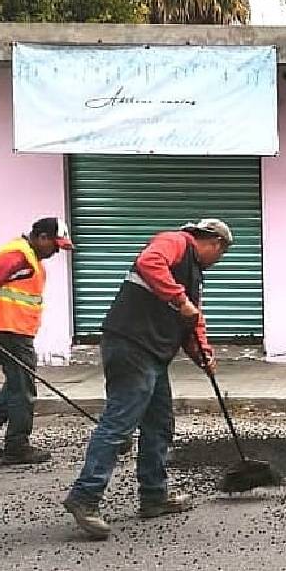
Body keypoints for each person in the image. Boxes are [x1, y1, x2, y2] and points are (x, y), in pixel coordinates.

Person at [62, 219, 232, 540]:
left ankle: (154, 496)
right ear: (214, 242)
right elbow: (149, 263)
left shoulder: (194, 275)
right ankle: (85, 497)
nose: (218, 261)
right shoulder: (175, 242)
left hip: (153, 352)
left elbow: (192, 321)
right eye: (220, 254)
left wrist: (202, 354)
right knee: (119, 423)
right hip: (131, 344)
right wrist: (180, 301)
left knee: (159, 424)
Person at [0, 217, 74, 464]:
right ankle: (17, 446)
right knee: (23, 388)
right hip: (6, 330)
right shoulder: (19, 256)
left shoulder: (27, 257)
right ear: (42, 237)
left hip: (11, 329)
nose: (56, 251)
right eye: (55, 245)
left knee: (18, 382)